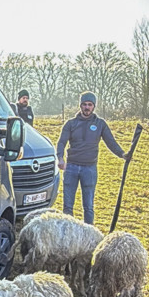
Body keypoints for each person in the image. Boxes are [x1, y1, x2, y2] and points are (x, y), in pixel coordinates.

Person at [56, 92, 126, 225]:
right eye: (84, 104)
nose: (87, 107)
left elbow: (111, 142)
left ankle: (89, 235)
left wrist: (122, 154)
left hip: (89, 169)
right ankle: (66, 234)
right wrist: (60, 158)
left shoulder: (100, 124)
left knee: (88, 207)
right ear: (80, 106)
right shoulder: (71, 124)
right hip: (71, 168)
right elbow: (61, 142)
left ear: (94, 107)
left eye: (90, 105)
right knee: (67, 207)